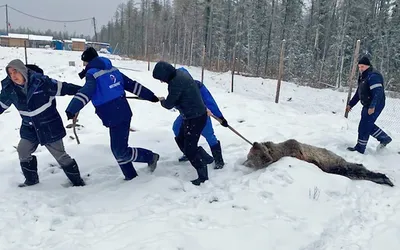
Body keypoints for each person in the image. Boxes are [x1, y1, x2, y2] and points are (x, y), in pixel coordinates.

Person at [65, 47, 160, 181]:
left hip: (114, 115)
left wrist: (72, 109)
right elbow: (131, 85)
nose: (83, 65)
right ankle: (131, 176)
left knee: (120, 150)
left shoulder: (92, 74)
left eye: (84, 62)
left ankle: (150, 157)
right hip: (121, 112)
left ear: (88, 61)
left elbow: (87, 91)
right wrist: (151, 96)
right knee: (118, 149)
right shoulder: (112, 69)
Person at [0, 59, 86, 187]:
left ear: (23, 71)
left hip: (49, 125)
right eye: (10, 73)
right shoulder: (9, 89)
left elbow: (65, 87)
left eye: (15, 72)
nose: (13, 76)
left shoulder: (41, 82)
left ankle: (78, 182)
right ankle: (31, 180)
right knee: (23, 151)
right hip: (29, 128)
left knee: (60, 156)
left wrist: (86, 92)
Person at [153, 61, 215, 186]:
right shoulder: (179, 74)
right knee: (180, 139)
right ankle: (206, 158)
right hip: (192, 116)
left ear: (165, 75)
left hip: (195, 118)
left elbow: (170, 104)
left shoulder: (176, 82)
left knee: (189, 148)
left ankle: (202, 175)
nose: (161, 81)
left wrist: (163, 101)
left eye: (161, 79)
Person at [172, 67, 228, 169]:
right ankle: (188, 152)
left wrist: (220, 117)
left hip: (201, 114)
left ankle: (219, 160)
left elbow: (209, 101)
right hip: (185, 116)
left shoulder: (197, 85)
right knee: (176, 128)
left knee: (209, 135)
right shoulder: (176, 87)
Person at [346, 56, 392, 154]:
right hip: (368, 103)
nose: (360, 69)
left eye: (362, 67)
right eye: (359, 67)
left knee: (365, 125)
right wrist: (351, 104)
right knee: (365, 124)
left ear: (368, 66)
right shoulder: (363, 76)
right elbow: (359, 92)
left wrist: (372, 106)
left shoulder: (373, 76)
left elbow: (378, 93)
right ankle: (384, 138)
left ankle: (360, 148)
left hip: (376, 103)